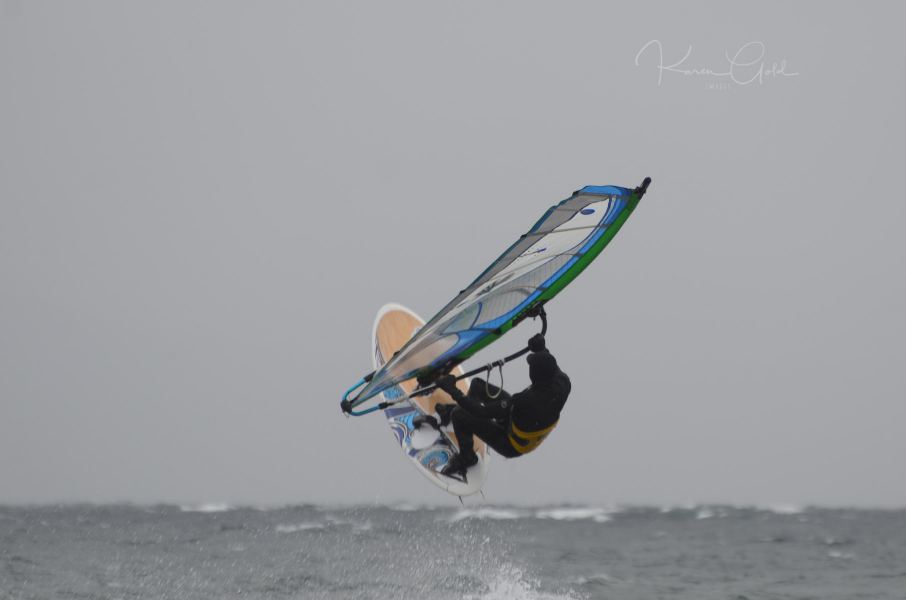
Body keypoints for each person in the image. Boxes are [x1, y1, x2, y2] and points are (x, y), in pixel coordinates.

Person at [413, 333, 571, 478]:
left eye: (531, 367)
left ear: (534, 375)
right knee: (477, 386)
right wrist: (541, 349)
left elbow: (481, 411)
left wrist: (452, 390)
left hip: (510, 443)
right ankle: (458, 416)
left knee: (459, 415)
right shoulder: (563, 384)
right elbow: (552, 367)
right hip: (519, 419)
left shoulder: (525, 401)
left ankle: (467, 457)